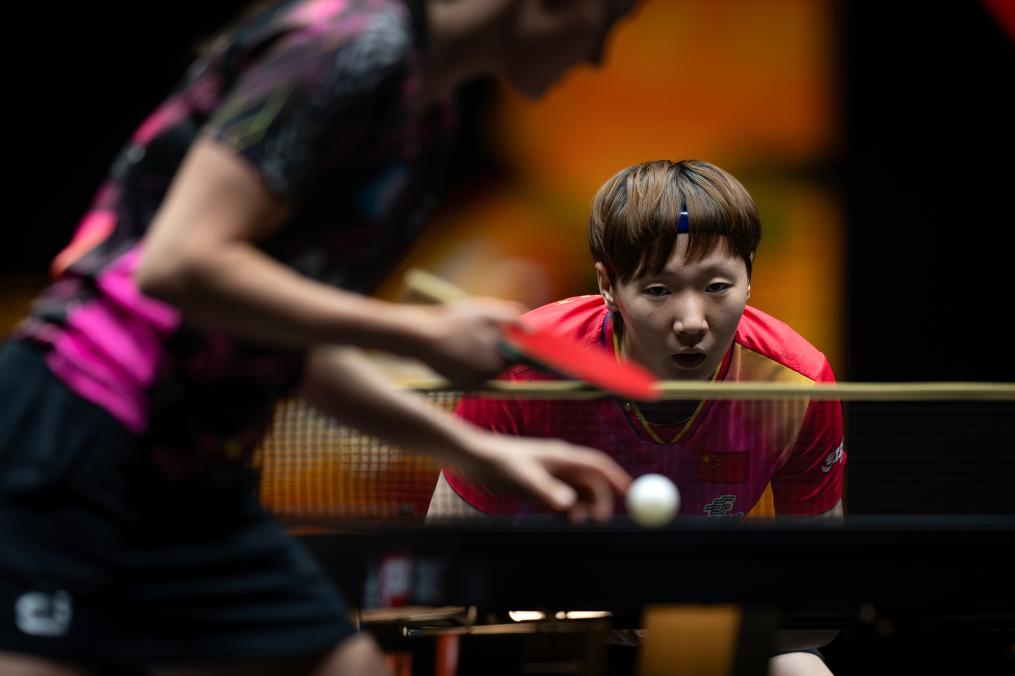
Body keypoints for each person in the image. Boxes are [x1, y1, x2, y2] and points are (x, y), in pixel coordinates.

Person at [0, 1, 639, 674]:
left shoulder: (423, 120)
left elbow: (288, 347)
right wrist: (420, 333)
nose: (597, 55)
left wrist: (481, 453)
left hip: (194, 468)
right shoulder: (352, 44)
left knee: (347, 665)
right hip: (81, 426)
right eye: (609, 21)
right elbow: (178, 262)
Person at [428, 159, 846, 674]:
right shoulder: (524, 372)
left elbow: (820, 611)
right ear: (608, 283)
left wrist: (695, 626)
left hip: (700, 625)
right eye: (658, 290)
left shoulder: (793, 386)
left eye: (717, 286)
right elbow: (439, 581)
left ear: (749, 274)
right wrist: (552, 613)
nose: (691, 322)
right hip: (542, 623)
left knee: (801, 670)